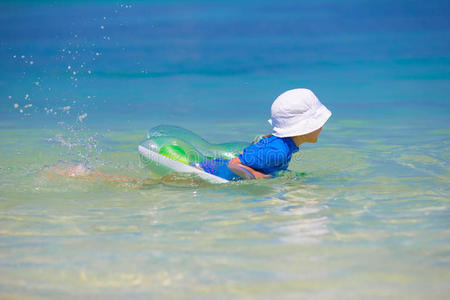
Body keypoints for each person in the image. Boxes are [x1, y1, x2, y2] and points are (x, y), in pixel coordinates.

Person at [227, 88, 332, 179]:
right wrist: (260, 176)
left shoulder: (284, 145)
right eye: (318, 124)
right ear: (303, 130)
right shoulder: (279, 152)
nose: (321, 127)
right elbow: (234, 163)